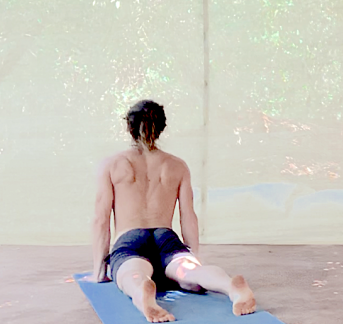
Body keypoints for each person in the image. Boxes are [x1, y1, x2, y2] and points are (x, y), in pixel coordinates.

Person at [89, 100, 257, 321]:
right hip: (165, 237)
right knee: (190, 272)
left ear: (130, 127)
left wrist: (98, 270)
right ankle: (229, 286)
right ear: (162, 127)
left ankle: (141, 291)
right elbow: (188, 215)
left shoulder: (112, 164)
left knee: (131, 273)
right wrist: (194, 256)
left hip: (130, 240)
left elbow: (101, 219)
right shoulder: (177, 165)